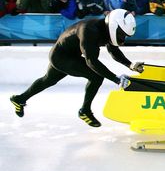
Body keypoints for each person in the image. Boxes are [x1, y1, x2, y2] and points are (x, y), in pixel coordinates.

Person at [10, 9, 144, 127]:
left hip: (65, 54)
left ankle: (19, 99)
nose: (123, 38)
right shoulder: (89, 30)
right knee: (96, 76)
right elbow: (92, 61)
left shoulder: (106, 28)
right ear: (114, 26)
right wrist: (116, 79)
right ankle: (85, 111)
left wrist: (130, 65)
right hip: (62, 57)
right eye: (121, 34)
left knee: (48, 80)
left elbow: (113, 51)